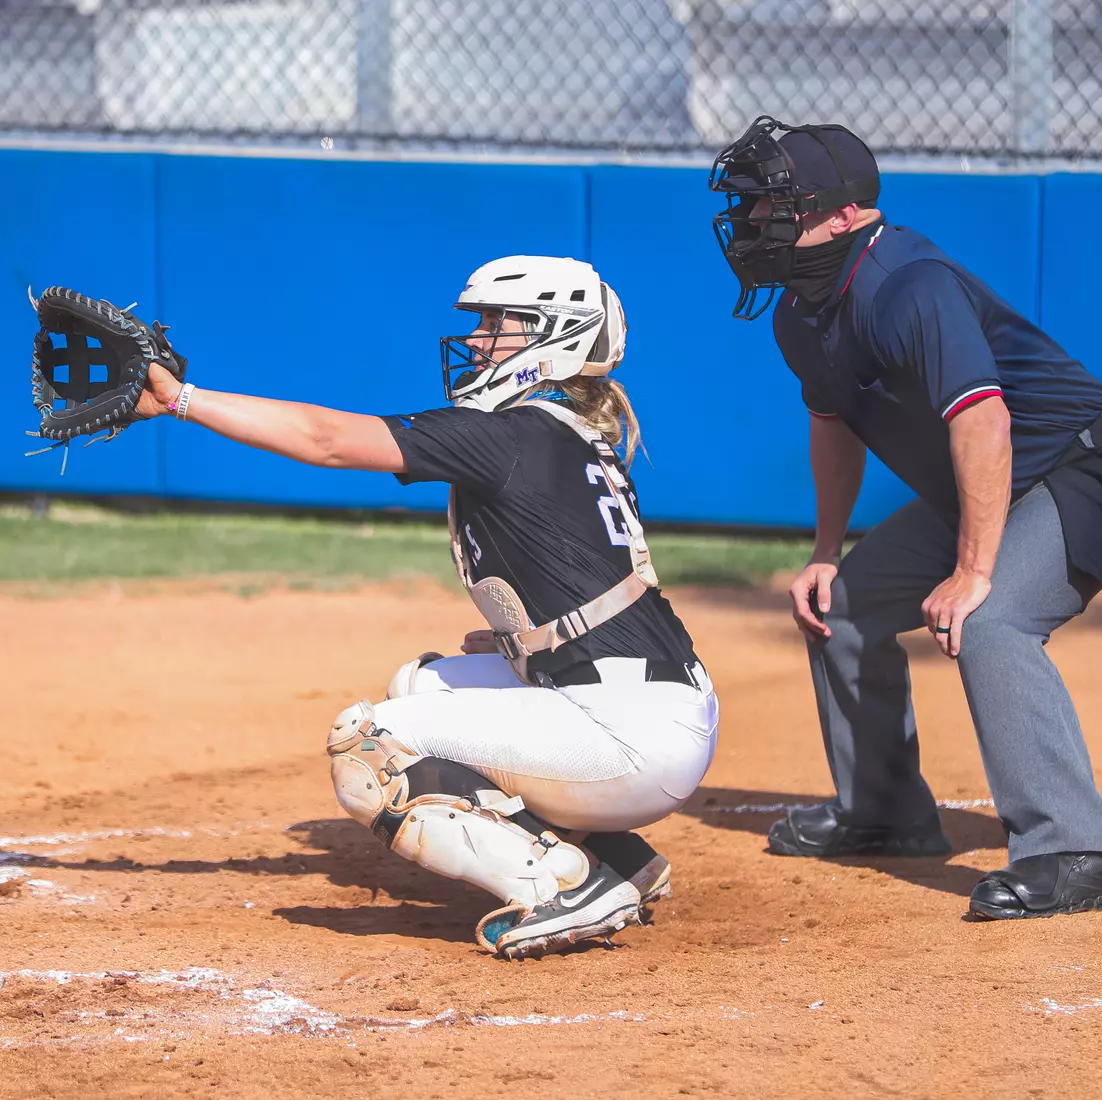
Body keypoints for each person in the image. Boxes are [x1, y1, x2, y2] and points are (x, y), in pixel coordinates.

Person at [132, 256, 719, 957]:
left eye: (499, 325)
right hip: (653, 704)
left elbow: (326, 441)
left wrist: (179, 400)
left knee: (369, 745)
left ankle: (562, 884)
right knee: (420, 685)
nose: (476, 341)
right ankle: (618, 857)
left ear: (556, 336)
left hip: (633, 739)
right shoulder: (563, 432)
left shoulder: (515, 434)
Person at [708, 118, 1102, 920]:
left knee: (991, 619)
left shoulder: (907, 283)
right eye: (753, 207)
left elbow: (983, 421)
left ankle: (1077, 853)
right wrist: (828, 550)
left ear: (843, 215)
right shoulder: (800, 312)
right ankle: (884, 809)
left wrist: (973, 571)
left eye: (772, 208)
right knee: (842, 605)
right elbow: (833, 424)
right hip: (994, 484)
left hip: (1083, 470)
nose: (755, 224)